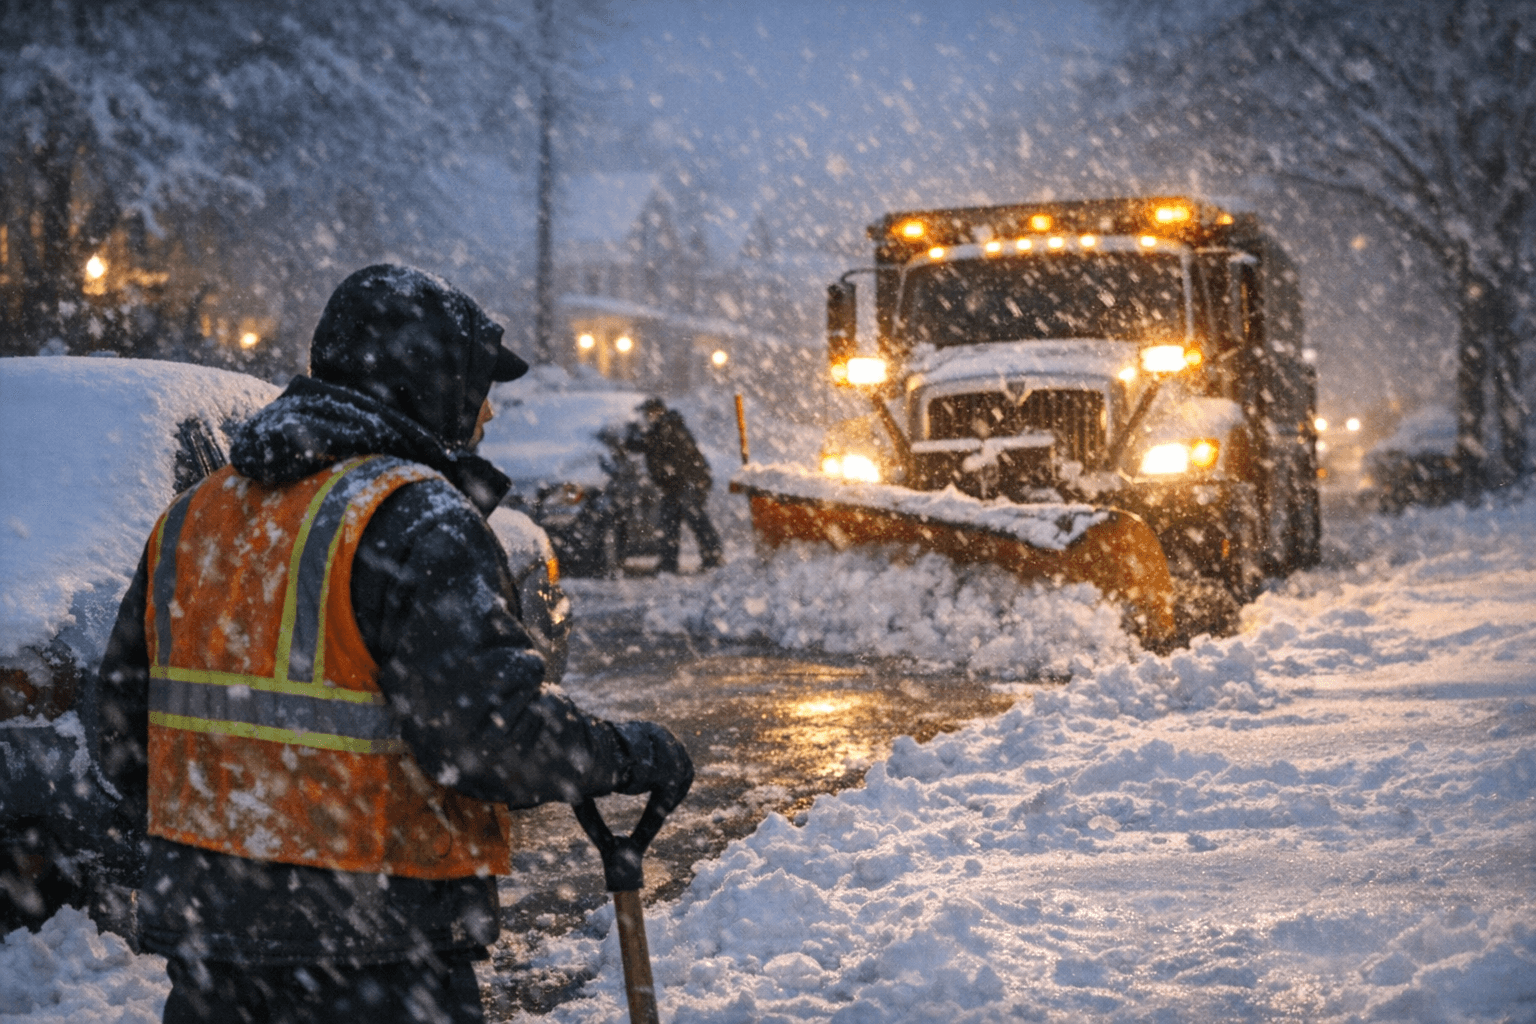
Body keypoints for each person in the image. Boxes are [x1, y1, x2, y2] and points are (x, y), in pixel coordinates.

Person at [94, 264, 693, 1024]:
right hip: (376, 957)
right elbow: (488, 738)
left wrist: (239, 842)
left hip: (213, 953)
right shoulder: (414, 519)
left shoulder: (195, 514)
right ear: (430, 380)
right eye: (479, 390)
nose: (487, 417)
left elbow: (117, 733)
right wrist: (627, 754)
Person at [625, 397, 723, 573]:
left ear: (658, 411)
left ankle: (713, 557)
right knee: (669, 523)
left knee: (695, 520)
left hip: (688, 482)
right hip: (675, 485)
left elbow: (656, 448)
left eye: (649, 413)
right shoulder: (660, 428)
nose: (647, 417)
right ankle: (670, 563)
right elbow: (639, 446)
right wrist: (631, 436)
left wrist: (684, 481)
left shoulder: (668, 427)